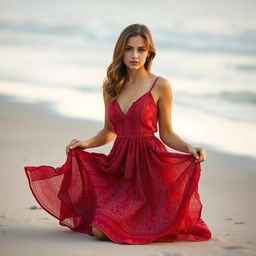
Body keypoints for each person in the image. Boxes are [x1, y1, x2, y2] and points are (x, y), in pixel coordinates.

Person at [24, 23, 211, 245]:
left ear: (149, 52)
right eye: (129, 49)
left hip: (149, 171)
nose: (135, 55)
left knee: (108, 231)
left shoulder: (160, 85)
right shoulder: (111, 86)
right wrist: (87, 143)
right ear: (120, 51)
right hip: (119, 169)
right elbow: (109, 131)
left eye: (141, 50)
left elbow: (167, 133)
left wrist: (189, 148)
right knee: (100, 230)